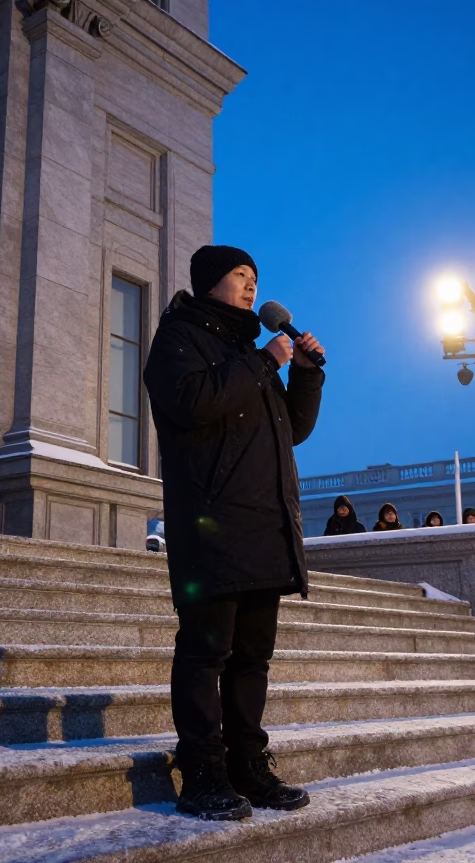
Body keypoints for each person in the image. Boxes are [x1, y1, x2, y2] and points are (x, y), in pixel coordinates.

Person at [143, 244, 324, 820]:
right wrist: (265, 363)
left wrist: (306, 374)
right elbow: (195, 403)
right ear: (209, 283)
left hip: (263, 526)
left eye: (254, 278)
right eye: (239, 277)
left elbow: (289, 430)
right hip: (212, 525)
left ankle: (248, 764)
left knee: (252, 658)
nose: (250, 287)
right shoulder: (179, 338)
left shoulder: (250, 351)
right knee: (205, 652)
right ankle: (201, 771)